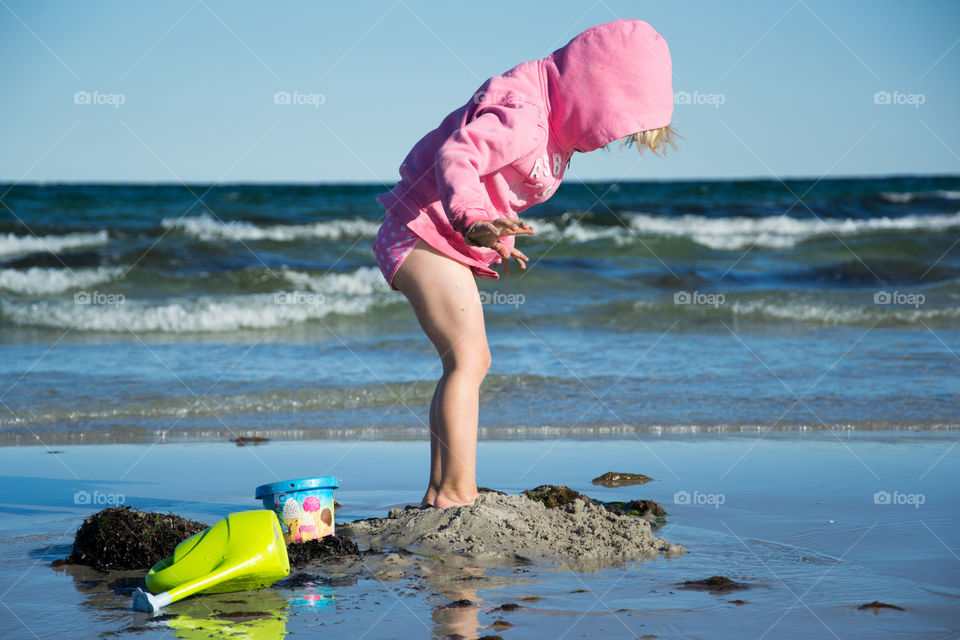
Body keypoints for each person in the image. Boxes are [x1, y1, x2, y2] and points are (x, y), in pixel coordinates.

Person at [372, 19, 677, 508]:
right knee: (470, 360)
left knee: (464, 361)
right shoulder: (526, 116)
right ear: (596, 90)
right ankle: (455, 492)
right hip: (419, 232)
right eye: (613, 125)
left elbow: (496, 180)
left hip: (441, 236)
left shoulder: (552, 121)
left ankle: (440, 491)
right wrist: (473, 219)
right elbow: (459, 155)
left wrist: (495, 227)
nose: (605, 141)